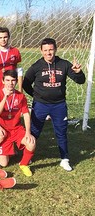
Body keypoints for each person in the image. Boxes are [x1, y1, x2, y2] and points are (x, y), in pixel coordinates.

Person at [22, 38, 86, 171]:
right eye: (45, 50)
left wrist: (79, 72)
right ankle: (27, 156)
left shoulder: (64, 64)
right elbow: (25, 83)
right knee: (34, 131)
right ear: (41, 51)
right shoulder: (36, 66)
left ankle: (65, 159)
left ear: (55, 49)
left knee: (61, 132)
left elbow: (80, 81)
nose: (48, 53)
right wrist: (36, 95)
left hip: (59, 105)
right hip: (41, 105)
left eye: (51, 49)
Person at [0, 70, 36, 176]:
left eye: (13, 80)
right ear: (3, 81)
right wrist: (5, 97)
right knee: (4, 164)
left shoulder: (20, 96)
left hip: (16, 129)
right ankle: (4, 148)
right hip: (4, 131)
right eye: (7, 80)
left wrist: (28, 132)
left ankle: (24, 164)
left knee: (31, 142)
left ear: (16, 82)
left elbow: (26, 115)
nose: (10, 83)